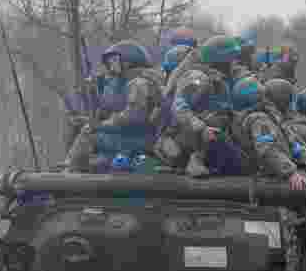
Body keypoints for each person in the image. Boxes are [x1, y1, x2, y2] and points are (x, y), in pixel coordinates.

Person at [65, 40, 164, 173]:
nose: (110, 65)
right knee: (86, 128)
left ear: (127, 61)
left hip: (140, 139)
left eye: (114, 61)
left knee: (88, 134)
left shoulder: (139, 83)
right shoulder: (133, 80)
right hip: (135, 136)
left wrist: (101, 125)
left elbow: (133, 117)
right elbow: (110, 108)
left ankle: (70, 173)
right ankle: (82, 169)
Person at [156, 35, 241, 177]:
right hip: (184, 139)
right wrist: (202, 128)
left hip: (203, 138)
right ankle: (195, 160)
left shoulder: (219, 80)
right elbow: (179, 107)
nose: (235, 64)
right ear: (221, 60)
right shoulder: (198, 78)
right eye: (232, 59)